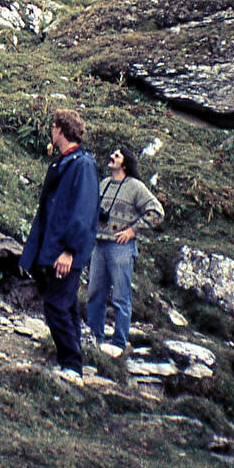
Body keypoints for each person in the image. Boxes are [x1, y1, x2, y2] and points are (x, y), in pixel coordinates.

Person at [19, 109, 99, 385]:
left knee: (56, 305)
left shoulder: (82, 165)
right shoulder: (63, 162)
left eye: (53, 127)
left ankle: (72, 366)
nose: (50, 131)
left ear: (61, 130)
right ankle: (72, 362)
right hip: (53, 250)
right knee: (66, 306)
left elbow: (83, 211)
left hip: (65, 253)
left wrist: (70, 251)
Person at [86, 144, 164, 351]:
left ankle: (119, 344)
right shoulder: (103, 184)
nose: (111, 156)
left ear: (125, 164)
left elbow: (156, 212)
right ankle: (94, 341)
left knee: (121, 298)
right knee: (94, 294)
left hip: (121, 248)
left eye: (117, 155)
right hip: (100, 246)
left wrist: (132, 231)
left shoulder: (135, 187)